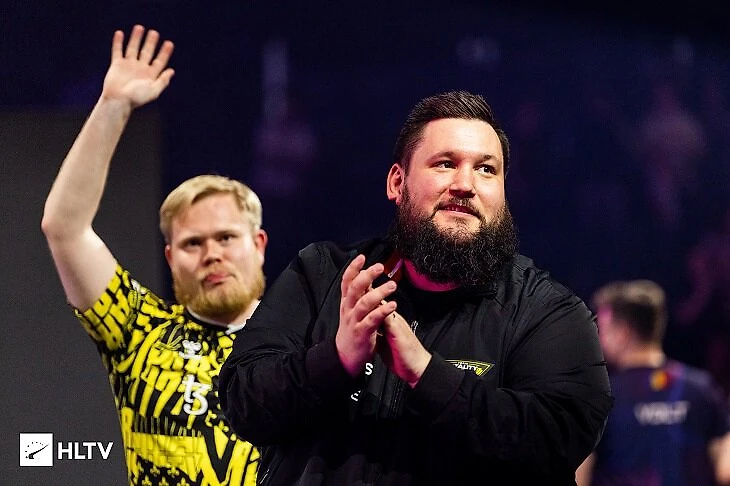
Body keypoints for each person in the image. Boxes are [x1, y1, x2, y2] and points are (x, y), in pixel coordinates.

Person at [219, 90, 613, 484]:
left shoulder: (547, 310)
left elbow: (563, 437)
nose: (465, 184)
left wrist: (426, 374)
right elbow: (241, 403)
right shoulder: (321, 274)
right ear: (397, 182)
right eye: (445, 164)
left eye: (486, 169)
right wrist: (336, 360)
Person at [41, 25, 266, 485]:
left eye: (226, 238)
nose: (211, 255)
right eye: (193, 243)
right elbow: (65, 228)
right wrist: (113, 106)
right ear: (169, 257)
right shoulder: (138, 331)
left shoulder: (304, 340)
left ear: (258, 244)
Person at [575, 279, 730, 486]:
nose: (598, 338)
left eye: (602, 329)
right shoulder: (701, 389)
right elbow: (725, 470)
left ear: (623, 332)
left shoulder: (598, 397)